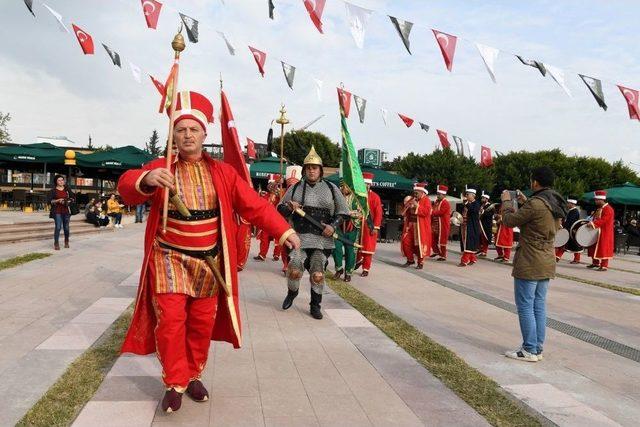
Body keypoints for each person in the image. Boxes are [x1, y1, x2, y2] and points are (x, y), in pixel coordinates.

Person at [117, 90, 300, 413]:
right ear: (173, 134)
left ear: (204, 134)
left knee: (201, 323)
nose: (187, 135)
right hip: (169, 259)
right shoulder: (161, 166)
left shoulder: (223, 173)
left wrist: (283, 230)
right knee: (171, 322)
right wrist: (147, 178)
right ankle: (175, 381)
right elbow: (126, 186)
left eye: (193, 129)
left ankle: (193, 373)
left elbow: (255, 205)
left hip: (210, 262)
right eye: (181, 129)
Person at [500, 166, 567, 362]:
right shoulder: (554, 201)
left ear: (535, 182)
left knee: (525, 306)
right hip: (546, 259)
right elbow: (538, 219)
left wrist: (506, 201)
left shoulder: (536, 204)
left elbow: (509, 221)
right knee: (538, 305)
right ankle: (536, 347)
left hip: (530, 260)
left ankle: (528, 349)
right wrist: (525, 201)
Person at [278, 146, 349, 319]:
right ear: (304, 170)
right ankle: (292, 292)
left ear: (320, 170)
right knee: (294, 268)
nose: (311, 170)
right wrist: (288, 206)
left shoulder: (332, 189)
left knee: (317, 272)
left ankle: (315, 304)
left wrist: (333, 226)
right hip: (299, 237)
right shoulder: (294, 189)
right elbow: (279, 210)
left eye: (314, 167)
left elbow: (343, 213)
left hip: (321, 239)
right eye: (308, 167)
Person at [354, 172, 383, 277]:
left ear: (370, 185)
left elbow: (379, 213)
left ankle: (366, 268)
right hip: (357, 225)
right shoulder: (356, 195)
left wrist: (375, 226)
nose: (365, 186)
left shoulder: (375, 197)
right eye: (363, 184)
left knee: (367, 249)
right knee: (356, 247)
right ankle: (357, 262)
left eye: (367, 184)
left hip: (368, 226)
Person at [333, 181, 362, 282]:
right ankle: (339, 269)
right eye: (342, 186)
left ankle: (348, 273)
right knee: (336, 248)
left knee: (350, 251)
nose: (344, 188)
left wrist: (349, 213)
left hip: (351, 227)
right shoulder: (337, 197)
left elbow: (361, 213)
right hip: (338, 227)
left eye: (346, 186)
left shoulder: (357, 198)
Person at [402, 183, 431, 269]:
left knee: (419, 244)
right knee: (405, 242)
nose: (415, 194)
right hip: (410, 226)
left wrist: (417, 206)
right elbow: (404, 211)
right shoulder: (412, 199)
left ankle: (420, 262)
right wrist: (408, 205)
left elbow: (426, 212)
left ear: (422, 192)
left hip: (420, 227)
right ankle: (410, 260)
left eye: (417, 193)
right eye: (414, 192)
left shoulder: (426, 200)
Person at [254, 174, 283, 261]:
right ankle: (262, 254)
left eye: (273, 185)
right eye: (270, 185)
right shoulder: (265, 195)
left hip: (277, 219)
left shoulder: (281, 194)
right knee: (264, 237)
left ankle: (277, 254)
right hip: (266, 219)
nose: (271, 187)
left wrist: (278, 184)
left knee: (278, 238)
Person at [586, 190, 614, 271]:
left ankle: (604, 265)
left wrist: (593, 224)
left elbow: (604, 220)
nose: (595, 201)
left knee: (604, 248)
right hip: (597, 231)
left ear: (600, 200)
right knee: (593, 247)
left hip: (604, 232)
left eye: (596, 200)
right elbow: (596, 218)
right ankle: (595, 263)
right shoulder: (599, 208)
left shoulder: (608, 209)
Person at [48, 174, 75, 250]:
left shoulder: (67, 189)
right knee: (58, 227)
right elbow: (49, 201)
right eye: (59, 180)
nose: (61, 181)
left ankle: (66, 241)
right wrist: (58, 200)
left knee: (66, 228)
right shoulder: (53, 191)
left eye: (62, 180)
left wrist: (68, 201)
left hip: (66, 210)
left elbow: (73, 198)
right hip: (57, 211)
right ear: (56, 182)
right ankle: (56, 243)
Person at [555, 198, 582, 264]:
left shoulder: (575, 211)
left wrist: (564, 227)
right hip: (567, 229)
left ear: (572, 204)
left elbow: (570, 221)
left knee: (573, 245)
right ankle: (557, 257)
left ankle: (557, 257)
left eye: (568, 203)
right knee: (566, 244)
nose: (567, 204)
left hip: (571, 230)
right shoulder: (570, 210)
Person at [459, 188, 481, 267]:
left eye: (468, 194)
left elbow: (473, 210)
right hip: (465, 226)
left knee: (469, 243)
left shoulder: (476, 204)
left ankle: (464, 261)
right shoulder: (467, 203)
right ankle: (473, 259)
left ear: (473, 195)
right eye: (466, 194)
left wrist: (466, 203)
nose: (466, 196)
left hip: (472, 226)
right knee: (468, 243)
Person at [430, 184, 451, 261]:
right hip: (435, 224)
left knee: (442, 241)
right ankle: (436, 251)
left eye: (439, 194)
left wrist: (431, 212)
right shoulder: (436, 202)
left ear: (444, 195)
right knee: (432, 238)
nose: (437, 196)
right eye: (437, 194)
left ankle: (443, 256)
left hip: (442, 225)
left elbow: (441, 212)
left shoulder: (445, 203)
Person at [478, 192, 493, 257]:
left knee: (485, 238)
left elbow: (490, 215)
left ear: (487, 199)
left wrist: (483, 211)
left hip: (486, 224)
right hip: (481, 223)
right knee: (480, 237)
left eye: (483, 198)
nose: (482, 199)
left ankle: (485, 251)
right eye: (482, 198)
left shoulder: (490, 206)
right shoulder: (482, 205)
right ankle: (481, 250)